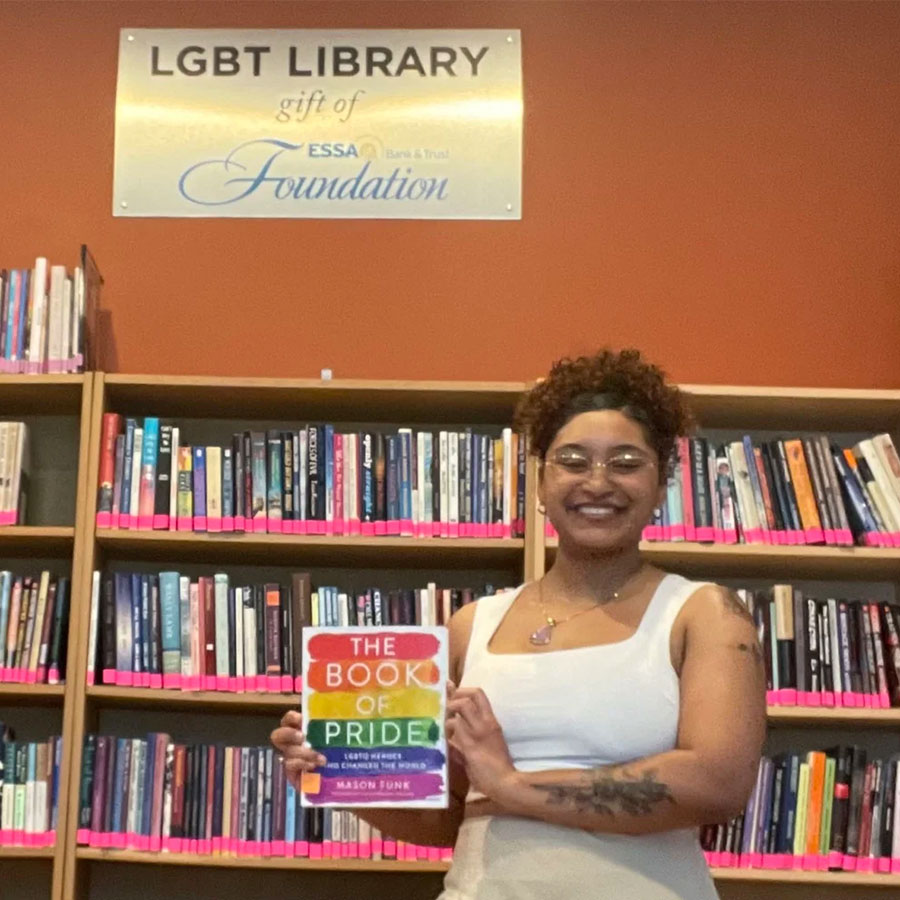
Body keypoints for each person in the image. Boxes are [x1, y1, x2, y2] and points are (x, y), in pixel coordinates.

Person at [271, 348, 766, 899]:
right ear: (541, 478)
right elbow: (451, 816)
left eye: (626, 462)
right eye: (573, 460)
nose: (597, 482)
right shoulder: (471, 625)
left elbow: (718, 784)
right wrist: (342, 780)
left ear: (660, 482)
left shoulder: (706, 614)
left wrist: (513, 785)